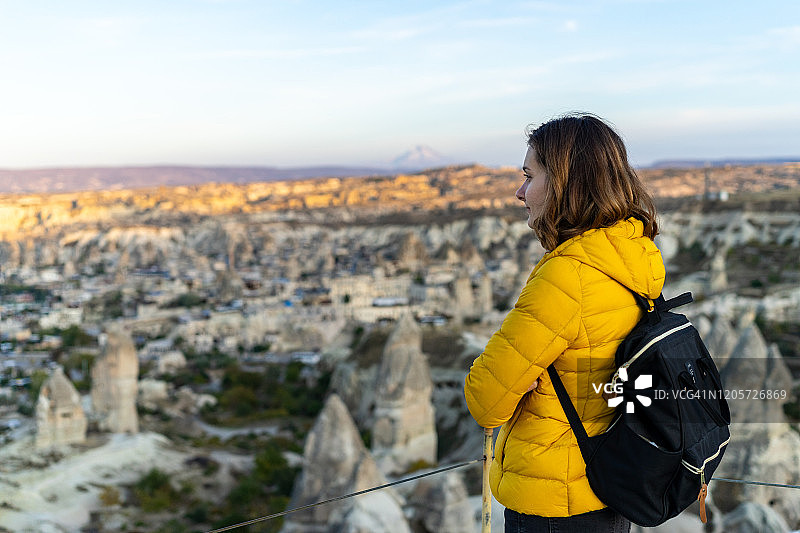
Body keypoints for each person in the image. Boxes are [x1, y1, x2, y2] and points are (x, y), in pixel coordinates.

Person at [464, 113, 665, 533]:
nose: (520, 192)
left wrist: (521, 383)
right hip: (609, 483)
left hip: (554, 501)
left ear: (564, 183)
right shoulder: (634, 255)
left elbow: (485, 400)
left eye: (529, 176)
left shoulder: (568, 275)